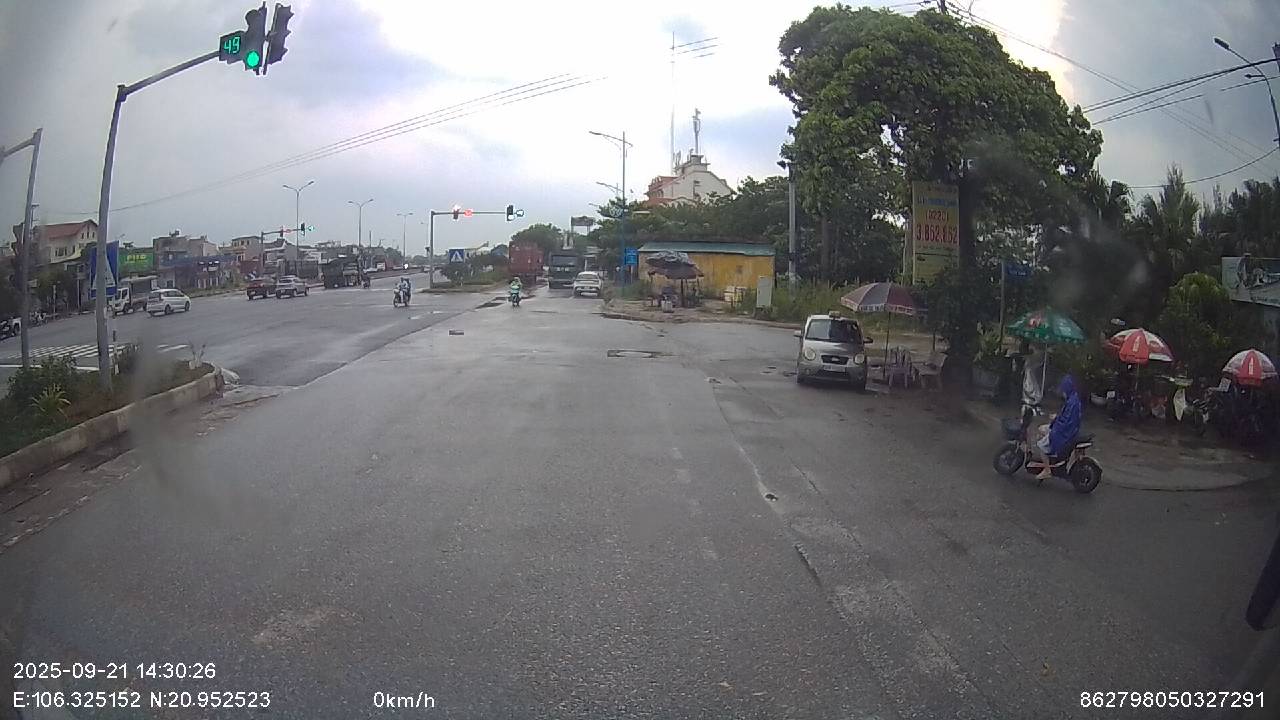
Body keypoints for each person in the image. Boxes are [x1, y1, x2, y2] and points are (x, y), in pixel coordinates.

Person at [1031, 374, 1082, 480]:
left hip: (1064, 432)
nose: (1062, 392)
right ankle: (1049, 458)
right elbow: (1066, 418)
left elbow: (1066, 423)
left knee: (1041, 446)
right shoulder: (1073, 399)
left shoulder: (1072, 403)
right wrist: (1057, 418)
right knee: (1041, 429)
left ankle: (1047, 470)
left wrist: (1055, 420)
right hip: (1066, 429)